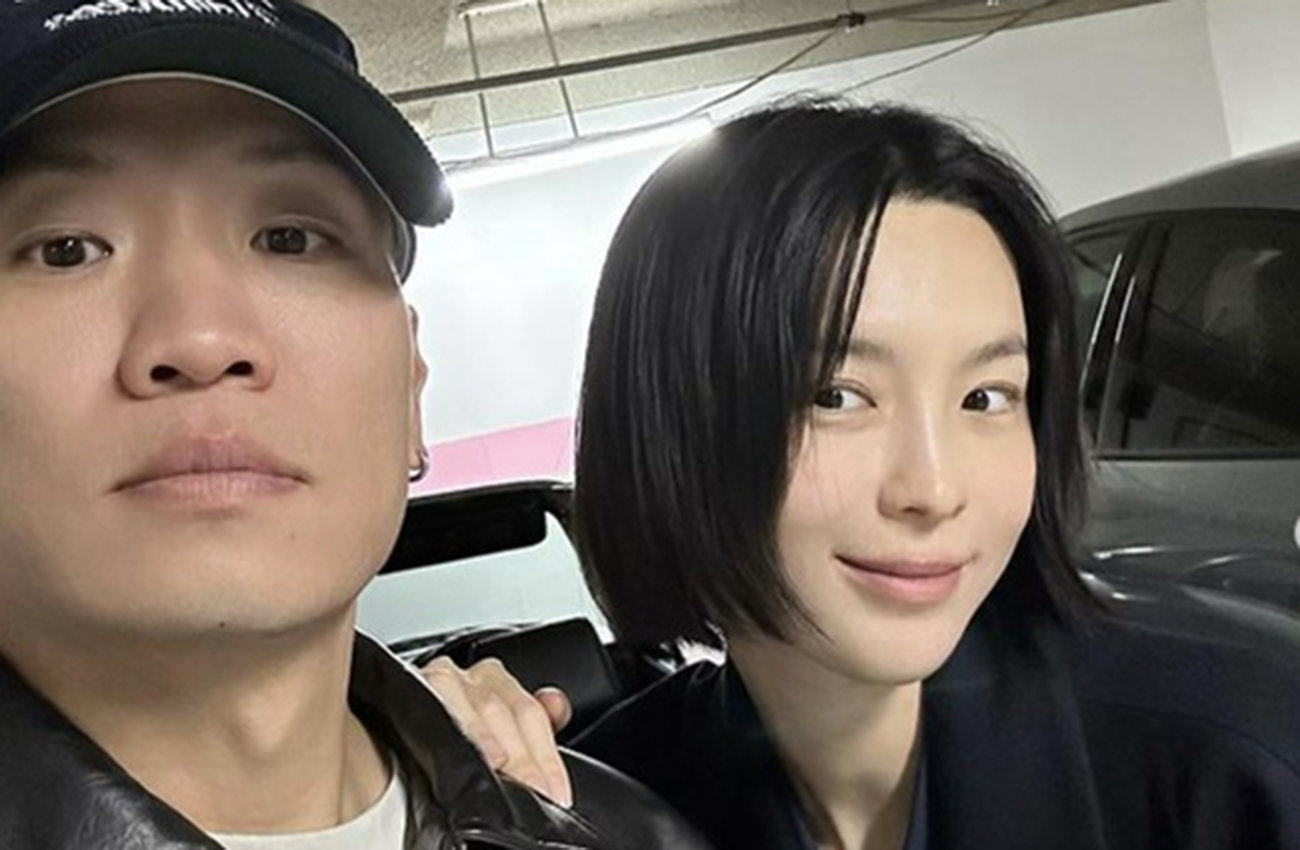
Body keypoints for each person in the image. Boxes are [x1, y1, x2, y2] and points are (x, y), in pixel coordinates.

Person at [422, 101, 1300, 849]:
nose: (934, 490)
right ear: (670, 422)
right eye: (837, 396)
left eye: (987, 397)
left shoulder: (1239, 760)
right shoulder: (598, 811)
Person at [0, 2, 714, 848]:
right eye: (66, 249)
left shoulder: (634, 835)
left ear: (411, 390)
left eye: (290, 238)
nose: (202, 341)